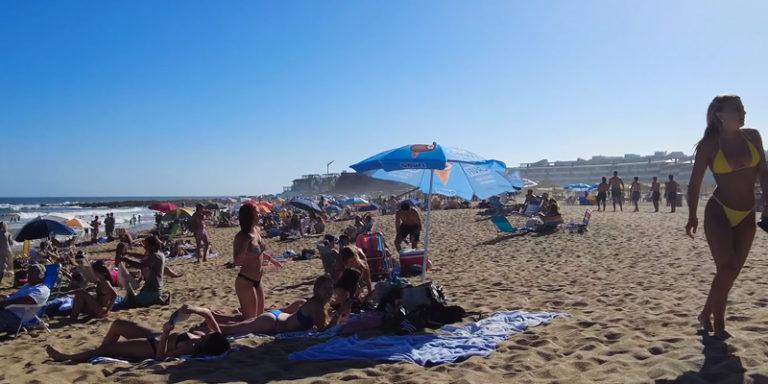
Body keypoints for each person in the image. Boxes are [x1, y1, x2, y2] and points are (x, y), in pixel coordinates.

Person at [686, 94, 767, 340]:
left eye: (744, 108)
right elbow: (694, 183)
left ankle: (704, 313)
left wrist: (767, 202)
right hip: (719, 211)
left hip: (746, 214)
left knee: (731, 272)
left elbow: (764, 172)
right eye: (738, 109)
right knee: (727, 267)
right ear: (721, 116)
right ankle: (718, 323)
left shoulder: (752, 136)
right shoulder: (710, 145)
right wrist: (691, 215)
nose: (744, 113)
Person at [46, 304, 229, 362]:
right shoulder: (214, 337)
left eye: (208, 335)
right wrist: (192, 309)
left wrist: (165, 333)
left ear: (207, 344)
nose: (206, 331)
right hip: (155, 334)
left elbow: (161, 358)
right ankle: (102, 351)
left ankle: (66, 357)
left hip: (149, 347)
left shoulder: (192, 346)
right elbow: (208, 314)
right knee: (118, 324)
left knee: (105, 350)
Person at [215, 276, 350, 336]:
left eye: (331, 289)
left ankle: (209, 324)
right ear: (317, 290)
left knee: (237, 326)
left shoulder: (318, 304)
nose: (329, 292)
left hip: (277, 317)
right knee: (231, 330)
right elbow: (323, 331)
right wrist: (339, 313)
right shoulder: (315, 305)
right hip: (273, 323)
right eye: (325, 289)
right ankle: (207, 329)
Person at [118, 236, 169, 308]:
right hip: (152, 288)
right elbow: (142, 256)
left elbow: (140, 265)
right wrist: (128, 253)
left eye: (147, 245)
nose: (145, 247)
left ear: (152, 246)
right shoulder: (159, 253)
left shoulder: (155, 256)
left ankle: (155, 299)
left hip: (153, 291)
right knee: (131, 297)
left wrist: (125, 259)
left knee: (130, 302)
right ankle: (157, 299)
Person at [0, 264, 50, 334]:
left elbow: (30, 300)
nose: (28, 275)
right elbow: (17, 295)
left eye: (31, 273)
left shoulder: (42, 289)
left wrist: (7, 302)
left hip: (16, 318)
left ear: (40, 275)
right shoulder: (28, 285)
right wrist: (7, 297)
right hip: (8, 311)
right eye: (28, 273)